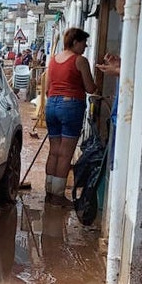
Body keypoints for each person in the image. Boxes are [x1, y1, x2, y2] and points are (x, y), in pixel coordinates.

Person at [44, 28, 97, 205]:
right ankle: (58, 196)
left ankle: (49, 192)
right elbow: (90, 88)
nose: (86, 46)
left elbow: (46, 89)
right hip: (71, 106)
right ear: (75, 42)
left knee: (54, 151)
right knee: (66, 154)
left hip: (51, 105)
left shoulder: (53, 60)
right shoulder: (80, 60)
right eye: (84, 42)